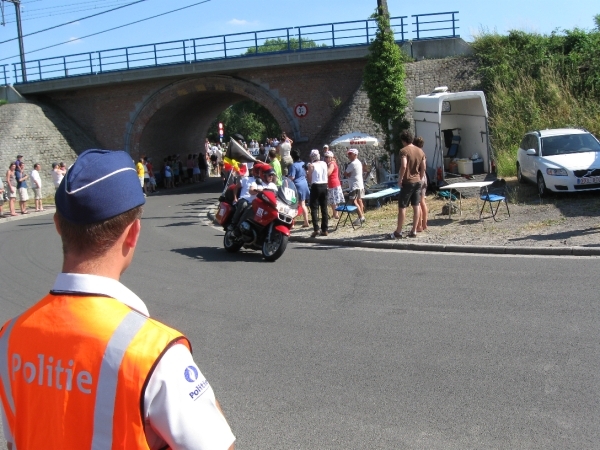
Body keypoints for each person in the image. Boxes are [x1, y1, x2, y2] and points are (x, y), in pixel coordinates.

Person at [0, 149, 236, 450]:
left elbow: (15, 440)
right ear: (133, 233)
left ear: (58, 224)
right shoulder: (154, 352)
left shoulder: (10, 337)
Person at [389, 130, 426, 239]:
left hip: (408, 181)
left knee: (402, 206)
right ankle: (414, 230)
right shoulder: (420, 151)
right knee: (416, 205)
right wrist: (421, 177)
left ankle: (398, 231)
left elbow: (404, 165)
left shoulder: (404, 151)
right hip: (418, 181)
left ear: (403, 140)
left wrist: (400, 179)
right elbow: (423, 167)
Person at [307, 149, 328, 237]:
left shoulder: (311, 165)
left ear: (312, 157)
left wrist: (307, 173)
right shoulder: (324, 163)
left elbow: (309, 179)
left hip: (316, 186)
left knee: (314, 208)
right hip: (324, 185)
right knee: (324, 208)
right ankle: (325, 229)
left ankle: (316, 229)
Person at [287, 149, 310, 227]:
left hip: (296, 187)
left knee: (293, 204)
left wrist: (286, 180)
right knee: (303, 204)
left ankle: (292, 224)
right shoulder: (303, 163)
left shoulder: (293, 165)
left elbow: (292, 177)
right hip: (304, 184)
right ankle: (306, 222)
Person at [344, 148, 366, 225]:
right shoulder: (359, 162)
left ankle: (361, 217)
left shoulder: (352, 164)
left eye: (350, 154)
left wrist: (348, 174)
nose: (349, 156)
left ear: (355, 155)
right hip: (360, 184)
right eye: (348, 154)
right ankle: (362, 216)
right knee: (359, 200)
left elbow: (345, 173)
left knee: (353, 201)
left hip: (354, 185)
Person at [413, 136, 428, 232]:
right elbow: (425, 167)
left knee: (417, 203)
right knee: (423, 202)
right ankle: (425, 224)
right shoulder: (423, 153)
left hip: (418, 177)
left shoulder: (415, 153)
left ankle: (419, 226)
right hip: (424, 178)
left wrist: (419, 177)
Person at [325, 151, 344, 220]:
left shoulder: (331, 164)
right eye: (325, 157)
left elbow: (328, 173)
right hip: (334, 183)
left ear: (330, 157)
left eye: (327, 157)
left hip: (333, 183)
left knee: (333, 200)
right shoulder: (332, 163)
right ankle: (335, 213)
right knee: (334, 200)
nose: (325, 158)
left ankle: (335, 214)